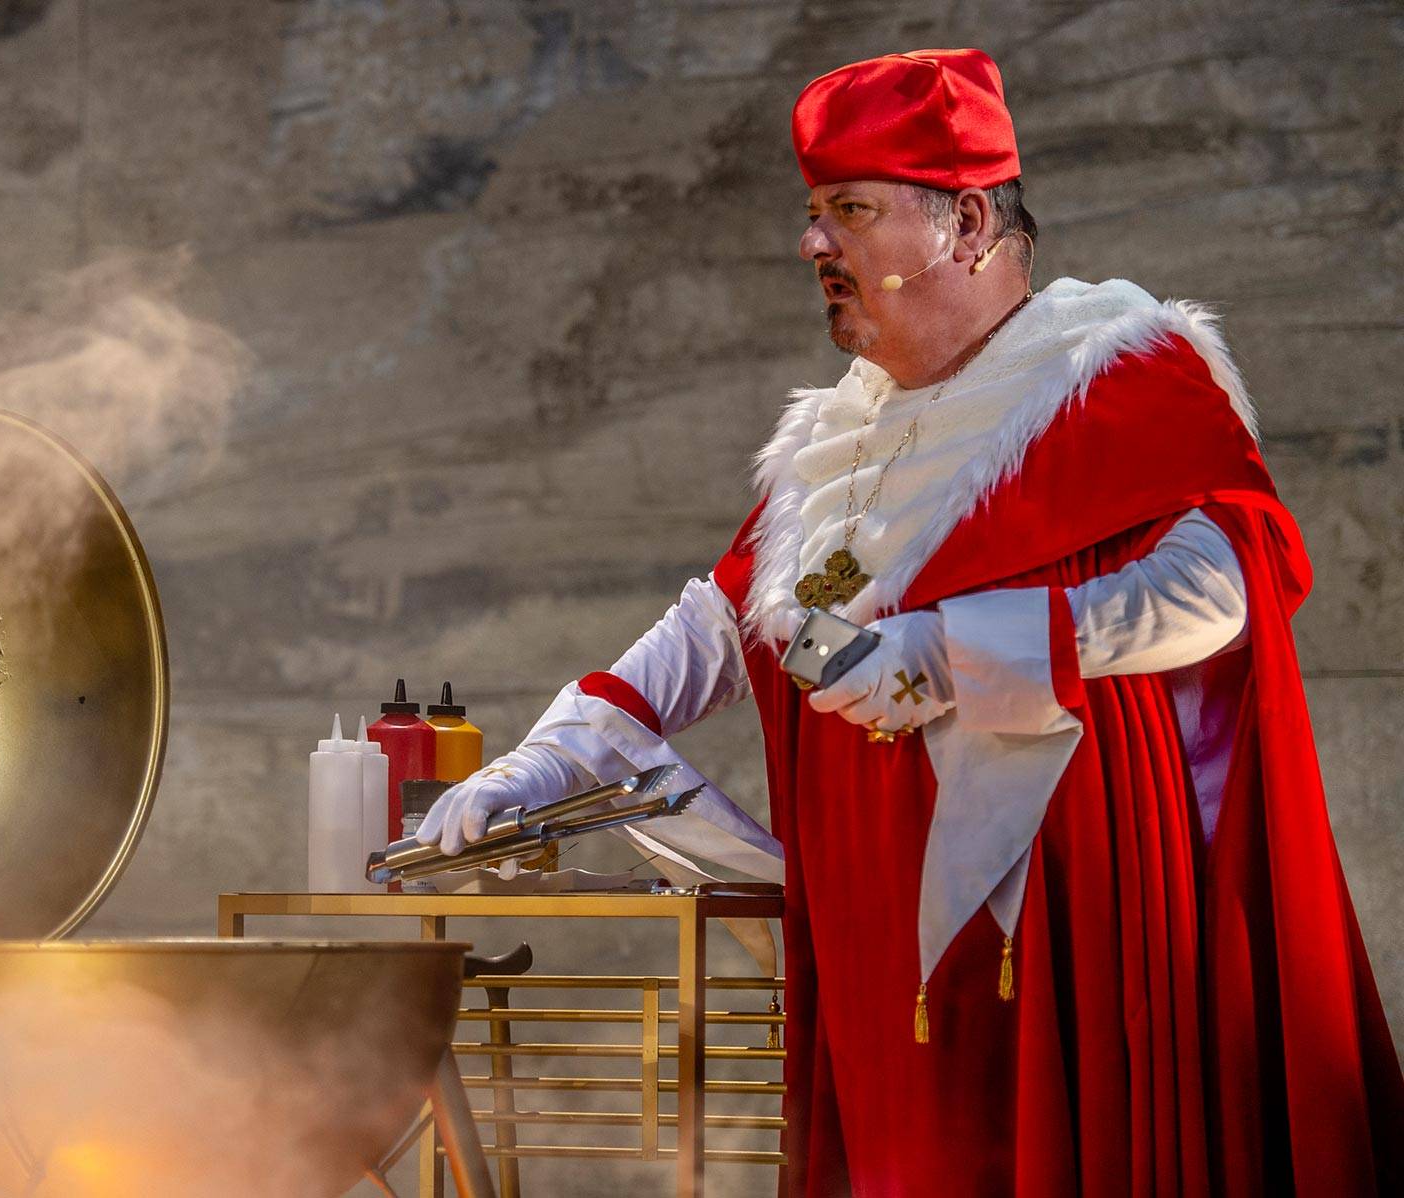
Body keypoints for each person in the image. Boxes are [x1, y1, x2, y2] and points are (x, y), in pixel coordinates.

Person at [417, 47, 1404, 1194]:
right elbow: (718, 623)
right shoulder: (842, 439)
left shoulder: (1117, 372)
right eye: (814, 213)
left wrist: (953, 650)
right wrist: (544, 764)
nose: (813, 245)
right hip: (882, 949)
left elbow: (1216, 589)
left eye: (848, 210)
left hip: (1069, 940)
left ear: (968, 220)